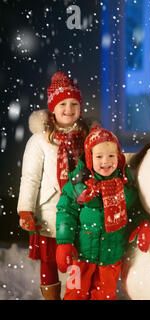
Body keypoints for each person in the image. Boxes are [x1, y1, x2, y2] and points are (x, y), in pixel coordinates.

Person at [55, 127, 150, 300]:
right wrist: (64, 242)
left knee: (104, 295)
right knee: (75, 293)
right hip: (80, 256)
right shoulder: (78, 187)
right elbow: (65, 213)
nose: (106, 161)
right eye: (99, 156)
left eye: (111, 156)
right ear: (89, 157)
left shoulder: (124, 187)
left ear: (119, 158)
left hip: (111, 257)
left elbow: (135, 209)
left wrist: (142, 224)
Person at [17, 71, 89, 299]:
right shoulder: (40, 140)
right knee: (49, 261)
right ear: (52, 108)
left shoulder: (87, 135)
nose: (69, 109)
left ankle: (75, 293)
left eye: (74, 103)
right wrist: (25, 209)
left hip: (79, 208)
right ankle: (51, 296)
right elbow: (30, 177)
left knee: (77, 256)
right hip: (50, 209)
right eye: (63, 104)